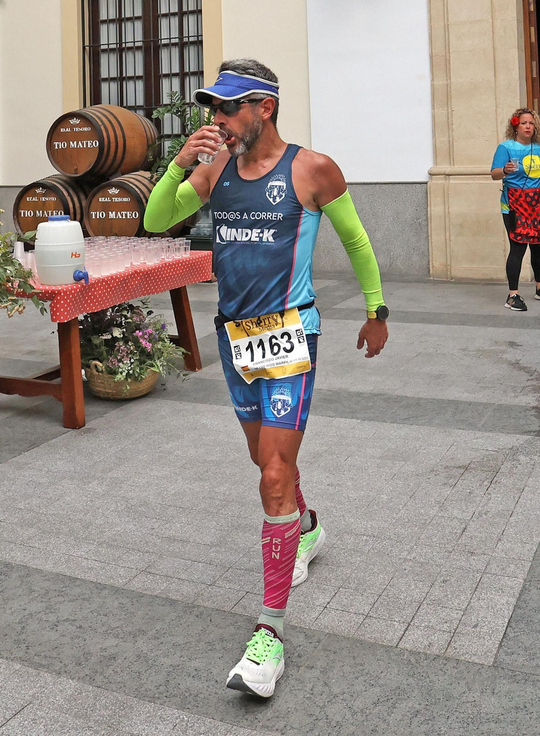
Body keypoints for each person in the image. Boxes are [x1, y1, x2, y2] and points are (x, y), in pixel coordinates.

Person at [142, 59, 389, 698]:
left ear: (265, 109)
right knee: (263, 460)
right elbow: (156, 219)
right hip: (235, 336)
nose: (215, 120)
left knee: (275, 473)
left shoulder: (313, 169)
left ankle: (268, 634)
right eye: (212, 109)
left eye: (227, 109)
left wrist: (376, 309)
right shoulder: (214, 165)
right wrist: (176, 164)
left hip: (290, 334)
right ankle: (305, 529)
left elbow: (358, 242)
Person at [491, 108, 540, 311]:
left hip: (538, 203)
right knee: (518, 247)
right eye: (524, 123)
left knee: (539, 246)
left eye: (531, 123)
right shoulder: (506, 148)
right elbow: (494, 174)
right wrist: (504, 170)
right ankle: (513, 295)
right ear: (515, 126)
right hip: (514, 204)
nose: (528, 126)